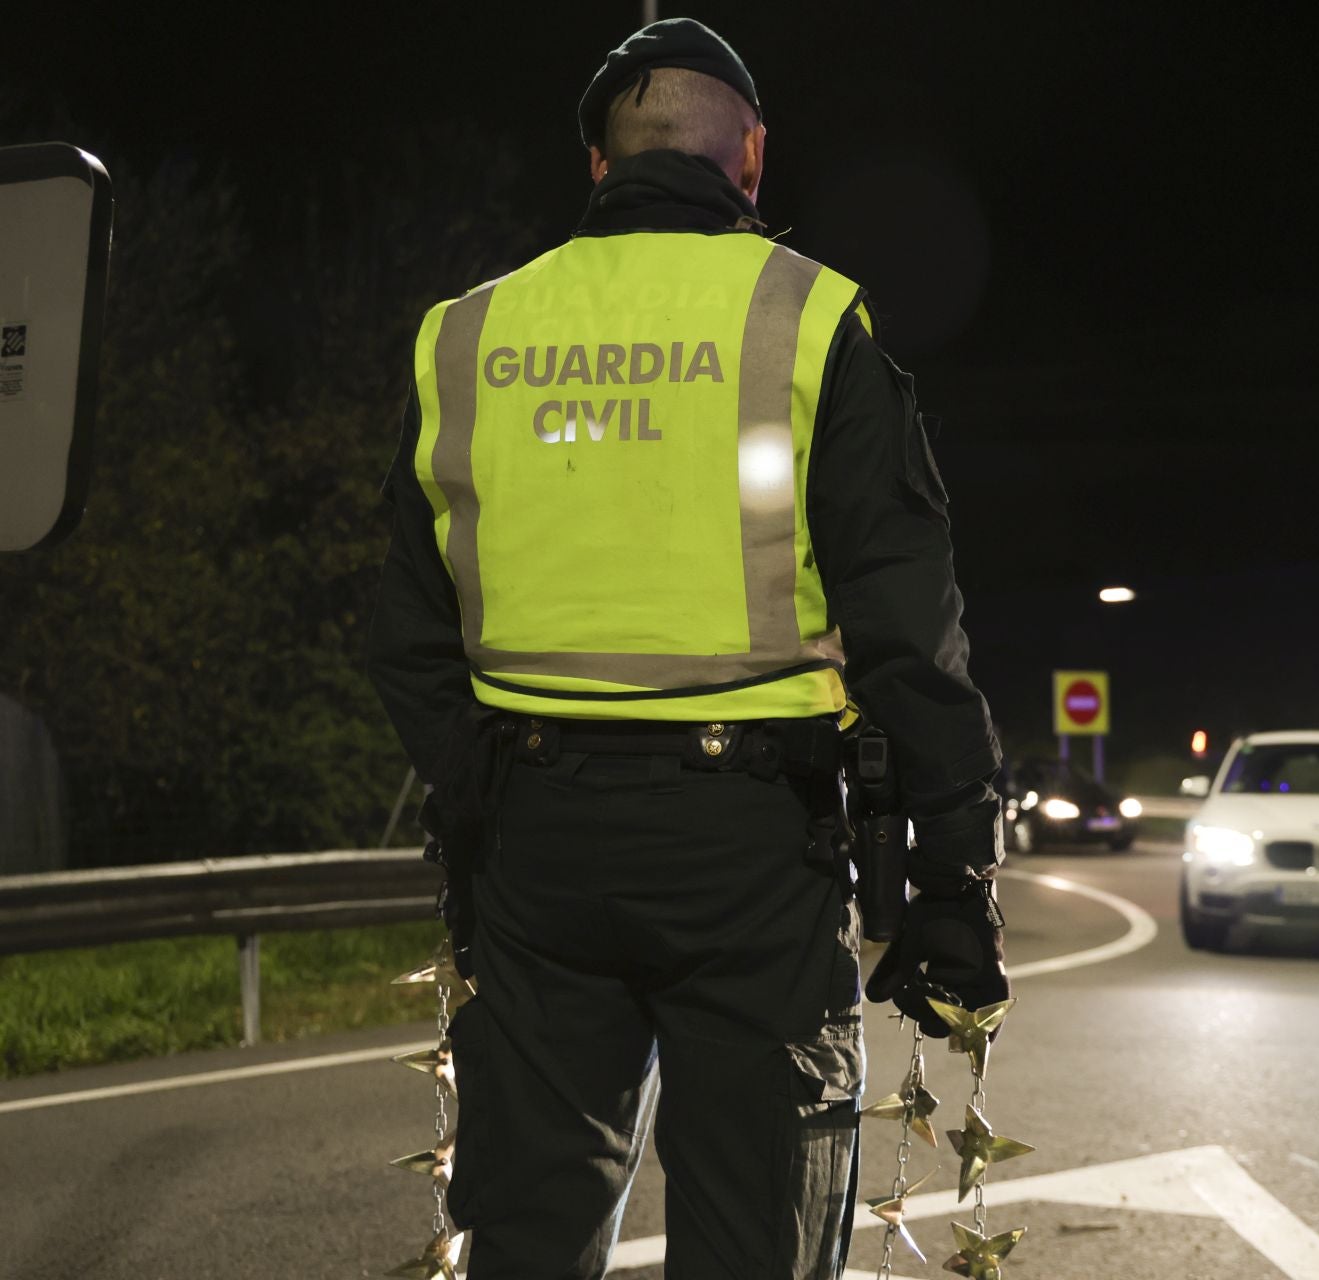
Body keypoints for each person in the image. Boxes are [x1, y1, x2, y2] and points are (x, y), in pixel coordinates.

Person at [366, 18, 1006, 1280]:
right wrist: (952, 874)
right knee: (757, 1231)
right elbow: (905, 630)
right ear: (751, 156)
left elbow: (405, 627)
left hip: (535, 844)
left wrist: (483, 784)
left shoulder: (468, 335)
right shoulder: (808, 319)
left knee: (530, 1234)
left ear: (597, 163)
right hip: (750, 849)